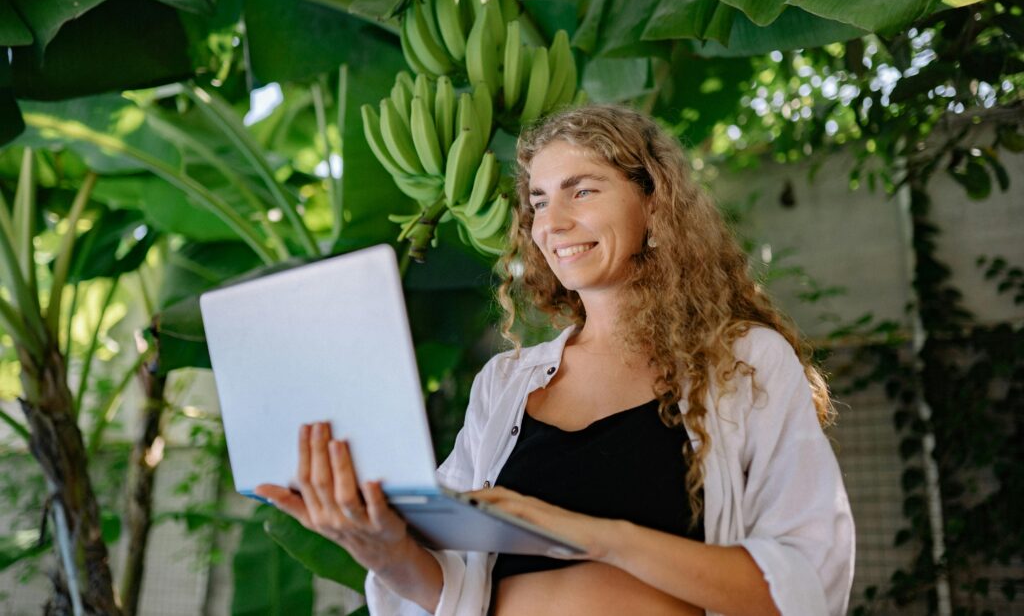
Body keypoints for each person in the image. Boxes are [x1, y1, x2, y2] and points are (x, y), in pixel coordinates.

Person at [255, 104, 855, 615]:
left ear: (654, 204)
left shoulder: (742, 362)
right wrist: (384, 551)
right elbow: (450, 589)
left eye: (583, 190)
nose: (553, 223)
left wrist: (587, 534)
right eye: (539, 201)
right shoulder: (506, 384)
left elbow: (799, 585)